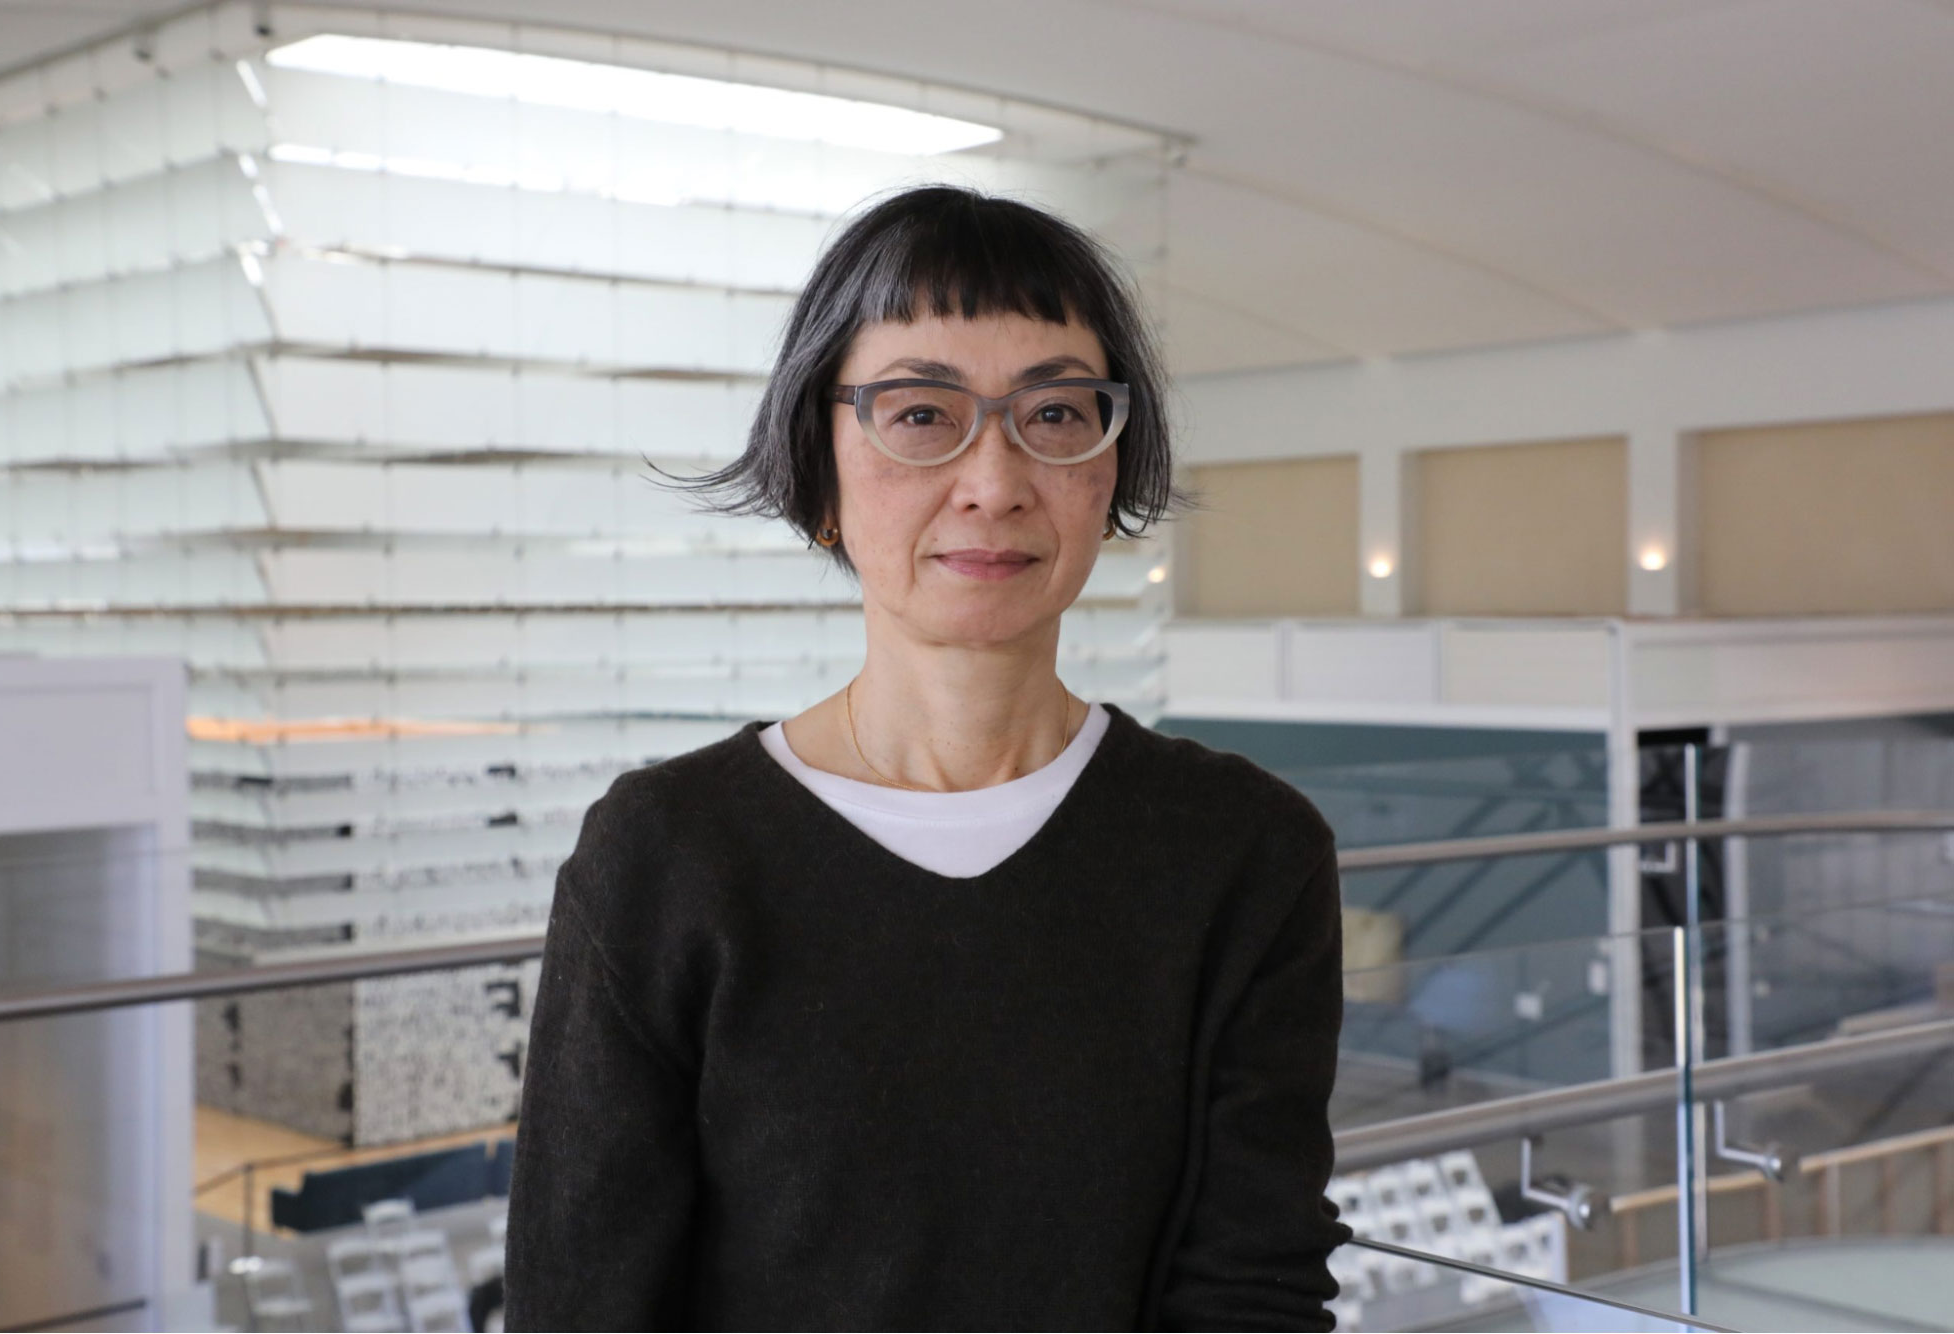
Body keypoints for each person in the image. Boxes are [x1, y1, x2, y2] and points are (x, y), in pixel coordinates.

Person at [503, 184, 1352, 1330]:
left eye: (1055, 415)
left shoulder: (1243, 848)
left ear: (1113, 470)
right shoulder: (669, 848)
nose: (995, 482)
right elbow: (581, 1297)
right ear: (817, 469)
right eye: (919, 414)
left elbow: (1252, 1282)